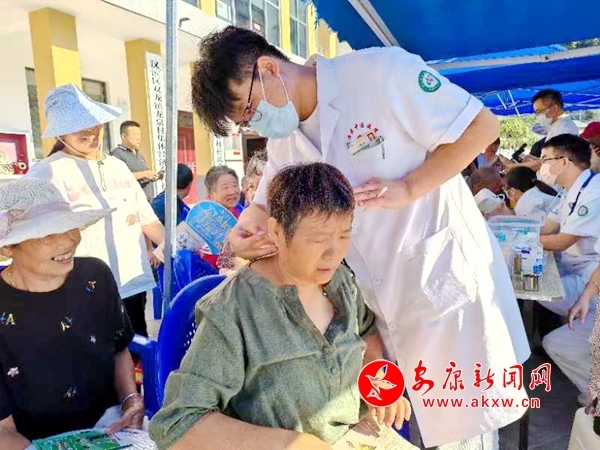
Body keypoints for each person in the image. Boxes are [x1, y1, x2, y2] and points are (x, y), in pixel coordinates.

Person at [190, 26, 529, 449]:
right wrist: (244, 231)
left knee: (465, 433)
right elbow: (262, 206)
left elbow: (481, 125)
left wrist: (410, 186)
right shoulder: (286, 138)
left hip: (443, 289)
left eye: (249, 109)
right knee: (408, 421)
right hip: (377, 305)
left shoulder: (381, 73)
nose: (255, 123)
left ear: (269, 69)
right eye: (245, 122)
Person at [149, 163, 411, 450]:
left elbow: (367, 329)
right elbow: (179, 424)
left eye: (344, 236)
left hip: (362, 435)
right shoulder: (234, 310)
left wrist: (376, 380)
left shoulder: (342, 282)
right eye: (318, 239)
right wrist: (295, 443)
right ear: (276, 230)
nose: (333, 253)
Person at [0, 178, 144, 447]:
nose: (68, 241)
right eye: (47, 235)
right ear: (8, 247)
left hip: (108, 426)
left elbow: (118, 348)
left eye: (69, 227)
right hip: (29, 441)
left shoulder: (95, 276)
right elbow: (3, 430)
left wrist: (130, 399)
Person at [27, 84, 165, 338]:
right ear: (61, 132)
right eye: (80, 128)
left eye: (94, 126)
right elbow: (30, 232)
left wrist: (173, 245)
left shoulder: (117, 167)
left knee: (136, 346)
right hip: (83, 287)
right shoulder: (48, 172)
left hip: (132, 280)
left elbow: (146, 218)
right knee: (97, 353)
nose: (91, 134)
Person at [537, 135, 600, 400]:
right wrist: (515, 231)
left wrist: (519, 239)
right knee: (536, 285)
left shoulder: (594, 192)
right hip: (581, 272)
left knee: (538, 290)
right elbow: (547, 229)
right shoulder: (570, 190)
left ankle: (594, 395)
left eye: (545, 160)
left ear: (563, 161)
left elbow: (562, 241)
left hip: (589, 274)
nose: (541, 167)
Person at [111, 121, 160, 200]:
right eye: (135, 134)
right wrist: (144, 174)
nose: (138, 138)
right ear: (124, 136)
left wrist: (153, 176)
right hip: (130, 201)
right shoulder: (117, 154)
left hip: (146, 199)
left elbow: (145, 174)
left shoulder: (139, 154)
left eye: (139, 134)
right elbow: (118, 177)